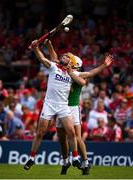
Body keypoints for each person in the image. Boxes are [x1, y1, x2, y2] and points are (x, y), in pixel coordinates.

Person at [45, 40, 114, 175]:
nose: (66, 60)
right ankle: (65, 161)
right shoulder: (61, 69)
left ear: (74, 64)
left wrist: (104, 65)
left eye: (70, 59)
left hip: (72, 108)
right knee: (61, 138)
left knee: (77, 137)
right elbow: (54, 58)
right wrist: (49, 45)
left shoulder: (77, 74)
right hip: (60, 107)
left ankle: (85, 161)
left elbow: (90, 73)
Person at [24, 40, 86, 171]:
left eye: (67, 57)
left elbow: (83, 81)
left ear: (71, 63)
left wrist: (71, 72)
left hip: (63, 106)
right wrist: (36, 48)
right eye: (63, 56)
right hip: (49, 104)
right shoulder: (53, 66)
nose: (64, 57)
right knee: (40, 132)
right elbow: (43, 58)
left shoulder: (73, 73)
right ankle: (31, 158)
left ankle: (75, 158)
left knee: (71, 133)